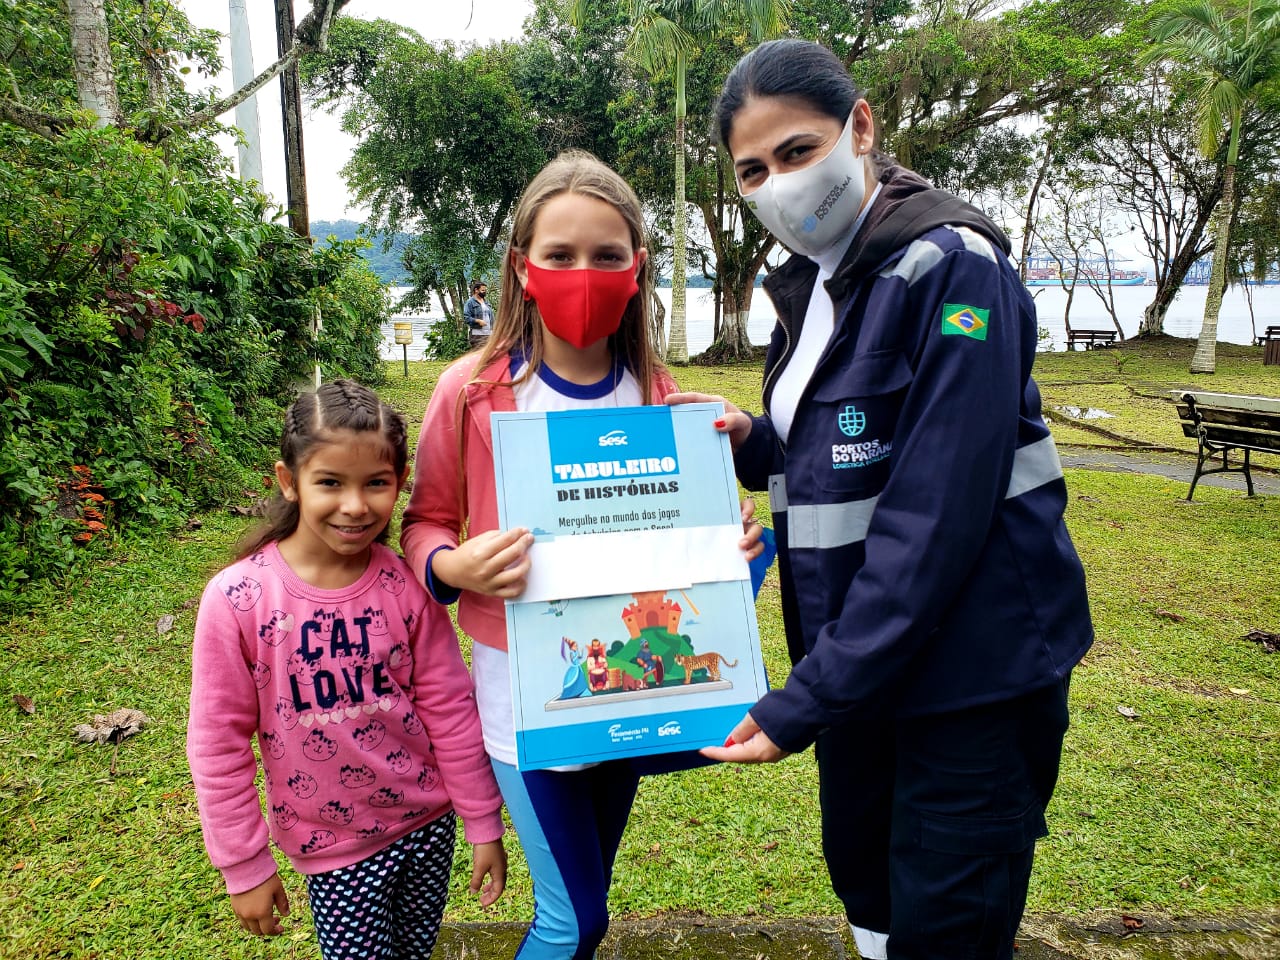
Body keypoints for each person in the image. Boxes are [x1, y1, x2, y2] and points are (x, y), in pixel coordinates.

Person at [674, 39, 1095, 960]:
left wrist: (804, 700)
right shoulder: (821, 285)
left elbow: (932, 513)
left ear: (860, 127)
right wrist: (755, 438)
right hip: (864, 676)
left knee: (948, 920)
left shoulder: (954, 268)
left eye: (796, 151)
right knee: (871, 893)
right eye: (752, 170)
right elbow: (845, 452)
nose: (777, 183)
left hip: (968, 678)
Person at [400, 150, 763, 960]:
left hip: (631, 690)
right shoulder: (471, 393)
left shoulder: (662, 394)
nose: (583, 273)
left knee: (586, 898)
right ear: (523, 268)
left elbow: (696, 535)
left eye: (606, 256)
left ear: (637, 268)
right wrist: (453, 568)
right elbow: (423, 524)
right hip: (526, 698)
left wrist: (729, 537)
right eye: (559, 255)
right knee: (574, 920)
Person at [187, 379, 507, 960]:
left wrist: (482, 820)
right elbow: (216, 745)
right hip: (333, 847)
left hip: (427, 827)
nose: (356, 505)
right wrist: (244, 864)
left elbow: (449, 706)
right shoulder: (238, 598)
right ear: (289, 481)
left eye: (376, 484)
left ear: (399, 484)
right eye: (330, 482)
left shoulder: (407, 583)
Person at [463, 279, 495, 349]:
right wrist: (478, 321)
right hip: (477, 335)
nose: (485, 292)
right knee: (478, 356)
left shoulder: (486, 302)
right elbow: (466, 318)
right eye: (483, 290)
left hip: (489, 334)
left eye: (485, 290)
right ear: (476, 290)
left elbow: (492, 318)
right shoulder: (470, 302)